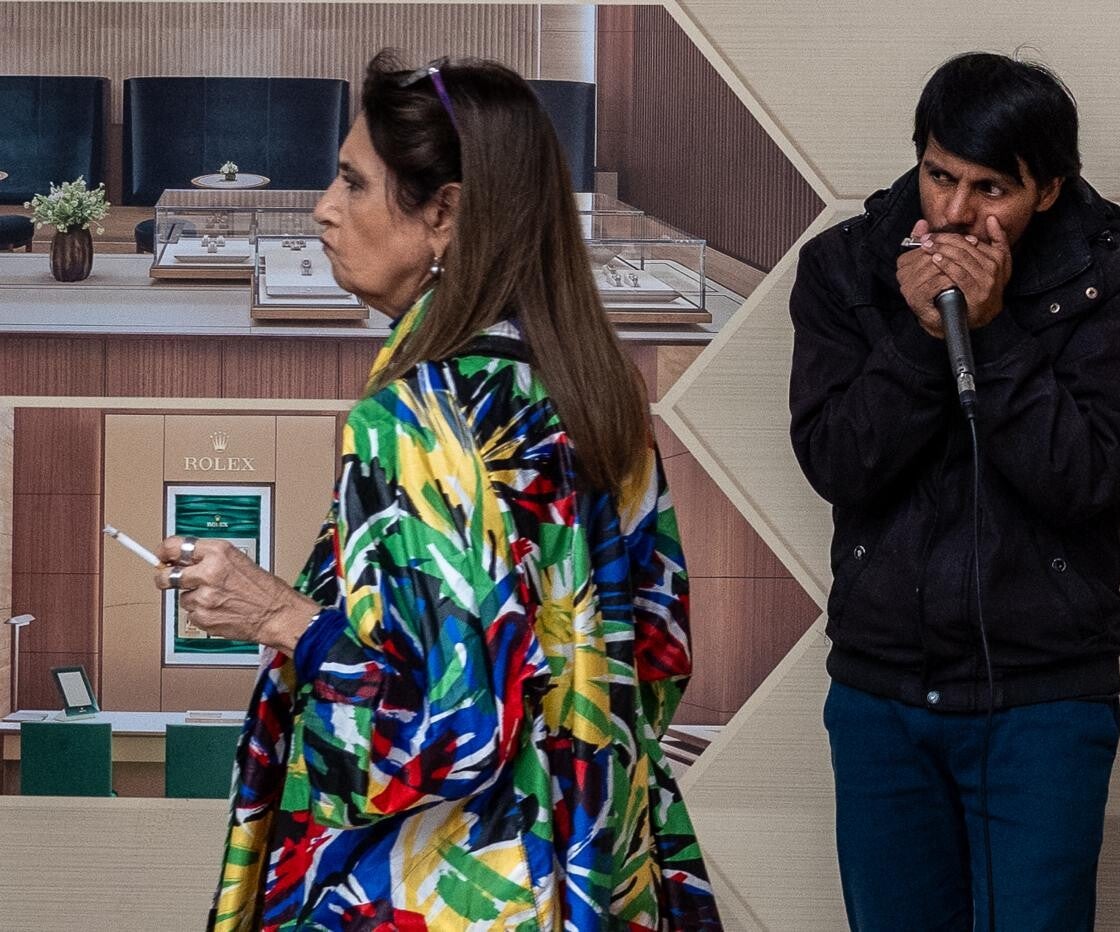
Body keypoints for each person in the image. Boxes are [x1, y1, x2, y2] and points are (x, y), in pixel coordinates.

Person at [154, 50, 722, 931]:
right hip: (597, 862)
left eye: (353, 183)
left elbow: (444, 732)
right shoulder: (594, 389)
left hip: (447, 889)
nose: (323, 208)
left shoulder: (418, 419)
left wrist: (282, 617)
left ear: (445, 215)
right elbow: (657, 655)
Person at [788, 52, 1120, 931]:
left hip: (1044, 699)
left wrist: (990, 335)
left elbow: (1085, 479)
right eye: (939, 175)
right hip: (883, 692)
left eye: (991, 188)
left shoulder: (1113, 282)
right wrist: (920, 337)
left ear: (1049, 189)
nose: (956, 211)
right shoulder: (844, 269)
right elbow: (838, 463)